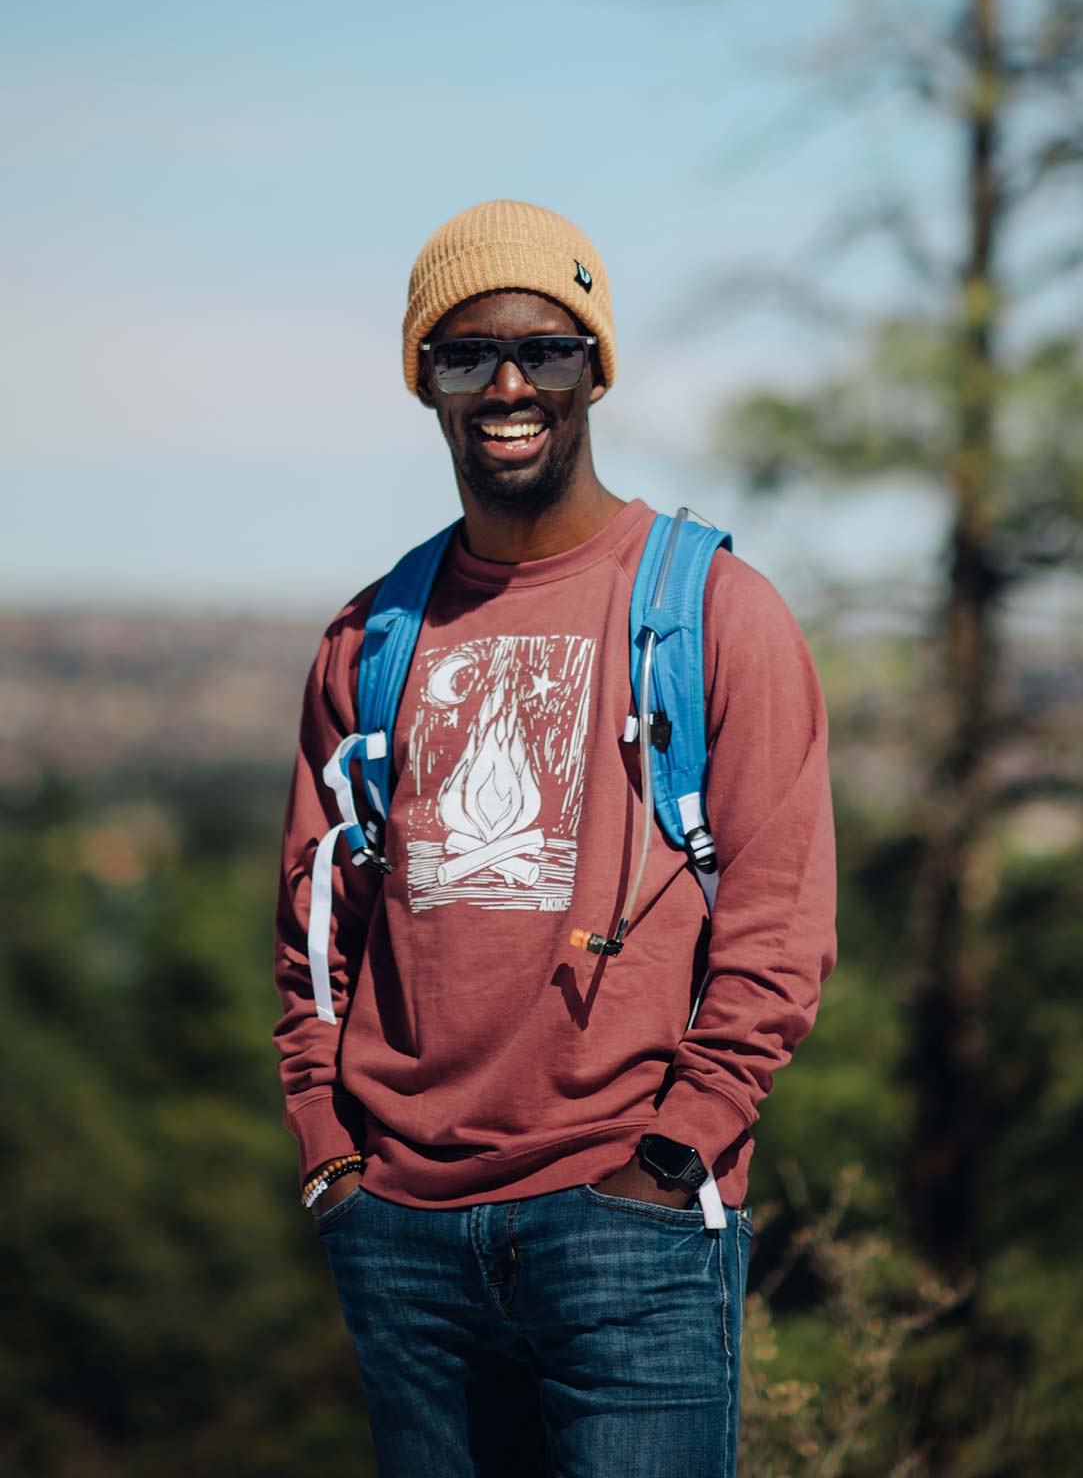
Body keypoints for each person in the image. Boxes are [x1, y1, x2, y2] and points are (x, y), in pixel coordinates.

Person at [273, 200, 837, 1478]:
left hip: (625, 1222)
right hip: (403, 1232)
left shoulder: (712, 612)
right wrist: (328, 1152)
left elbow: (780, 921)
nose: (510, 383)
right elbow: (315, 925)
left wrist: (680, 1145)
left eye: (548, 347)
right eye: (466, 353)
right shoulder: (368, 641)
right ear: (424, 380)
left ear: (596, 369)